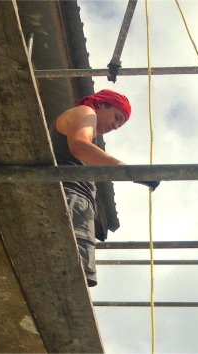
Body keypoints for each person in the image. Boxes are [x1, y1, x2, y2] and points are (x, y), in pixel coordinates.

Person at [51, 89, 158, 287]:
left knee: (73, 274)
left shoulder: (87, 122)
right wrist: (130, 172)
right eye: (117, 117)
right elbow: (79, 146)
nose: (116, 126)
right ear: (102, 104)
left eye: (121, 124)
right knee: (73, 273)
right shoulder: (86, 112)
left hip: (74, 198)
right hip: (70, 196)